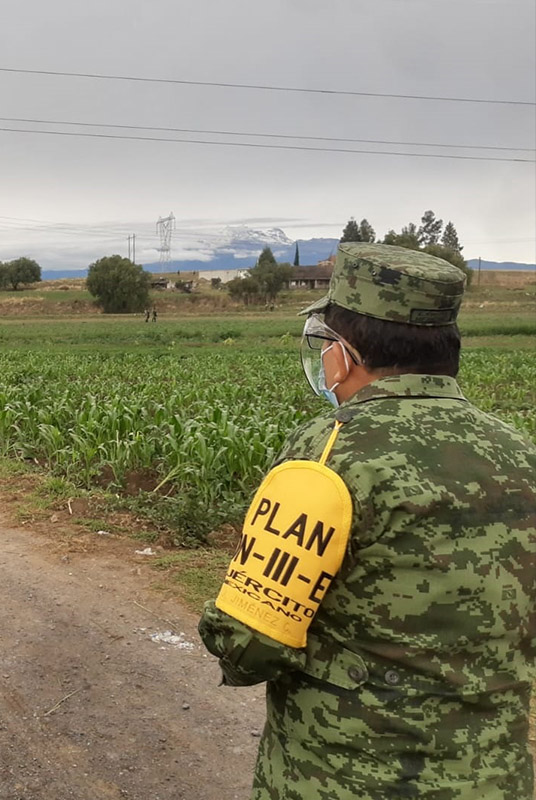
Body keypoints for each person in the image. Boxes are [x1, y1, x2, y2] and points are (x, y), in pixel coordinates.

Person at [198, 243, 536, 799]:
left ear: (342, 353)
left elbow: (247, 642)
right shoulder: (520, 452)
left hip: (341, 780)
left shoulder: (329, 454)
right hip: (494, 782)